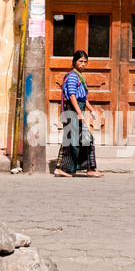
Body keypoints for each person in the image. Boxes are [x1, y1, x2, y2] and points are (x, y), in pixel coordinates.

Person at [54, 50, 104, 178]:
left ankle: (86, 168)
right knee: (75, 139)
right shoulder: (72, 76)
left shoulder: (79, 77)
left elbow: (83, 98)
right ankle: (64, 168)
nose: (83, 64)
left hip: (78, 109)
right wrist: (78, 113)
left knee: (79, 139)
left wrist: (91, 110)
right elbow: (72, 96)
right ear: (74, 62)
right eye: (80, 61)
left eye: (85, 62)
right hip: (73, 110)